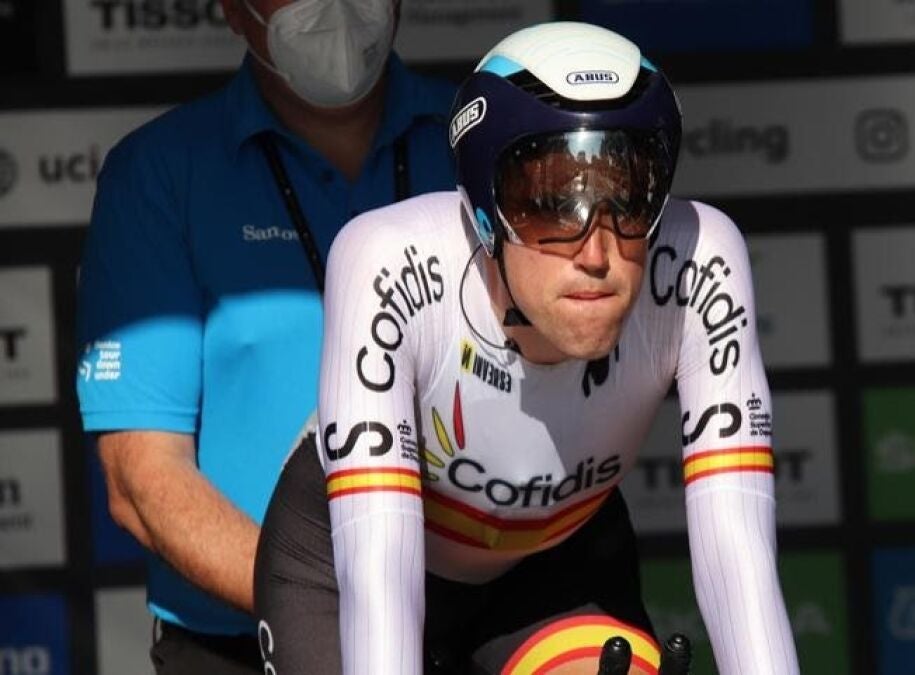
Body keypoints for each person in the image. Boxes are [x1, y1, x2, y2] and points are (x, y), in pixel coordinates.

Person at [254, 21, 802, 674]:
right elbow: (379, 574)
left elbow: (739, 555)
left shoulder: (700, 257)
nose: (596, 252)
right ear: (485, 213)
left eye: (630, 201)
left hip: (549, 567)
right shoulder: (386, 260)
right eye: (550, 205)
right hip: (342, 566)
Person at [74, 0, 456, 671]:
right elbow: (142, 477)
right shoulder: (159, 171)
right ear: (233, 10)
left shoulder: (482, 141)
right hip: (243, 642)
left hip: (470, 630)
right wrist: (338, 611)